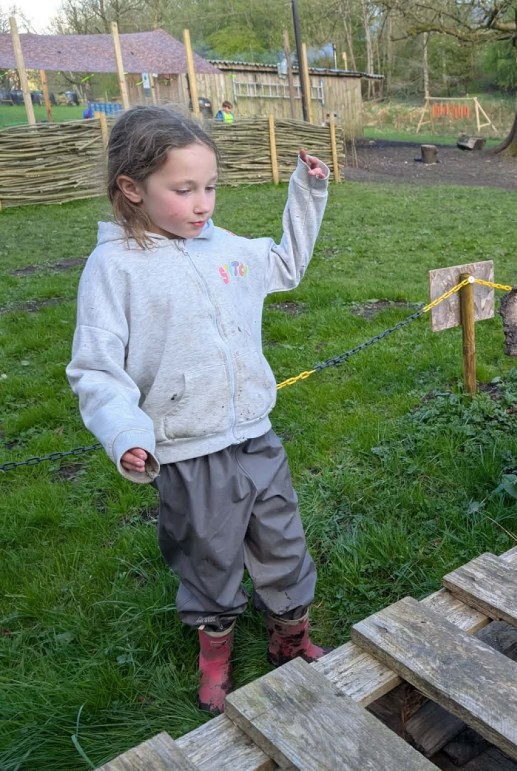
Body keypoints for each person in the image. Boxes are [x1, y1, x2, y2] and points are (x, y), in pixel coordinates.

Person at [66, 105, 331, 714]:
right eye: (183, 190)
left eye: (209, 186)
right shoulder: (113, 270)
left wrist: (307, 193)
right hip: (187, 452)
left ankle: (290, 637)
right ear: (132, 189)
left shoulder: (225, 249)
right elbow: (95, 369)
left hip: (256, 438)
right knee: (208, 559)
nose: (204, 203)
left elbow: (285, 266)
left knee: (283, 544)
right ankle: (215, 653)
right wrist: (125, 433)